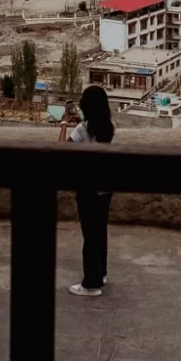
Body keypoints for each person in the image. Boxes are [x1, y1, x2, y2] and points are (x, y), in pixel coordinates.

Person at [68, 85, 116, 297]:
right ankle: (101, 273)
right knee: (100, 231)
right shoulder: (110, 125)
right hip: (106, 188)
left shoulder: (82, 130)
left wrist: (64, 124)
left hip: (88, 188)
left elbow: (62, 151)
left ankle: (91, 284)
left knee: (89, 235)